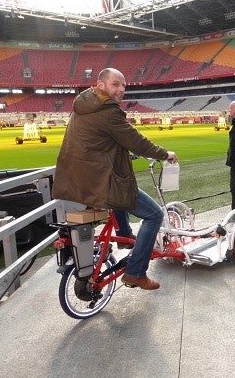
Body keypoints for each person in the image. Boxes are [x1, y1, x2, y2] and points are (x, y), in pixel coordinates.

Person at [52, 67, 178, 291]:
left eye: (123, 85)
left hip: (76, 180)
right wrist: (164, 153)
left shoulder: (85, 105)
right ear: (101, 86)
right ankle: (136, 273)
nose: (121, 89)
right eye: (115, 84)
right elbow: (135, 140)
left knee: (121, 194)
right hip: (96, 182)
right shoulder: (107, 112)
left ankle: (122, 235)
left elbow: (98, 142)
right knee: (154, 215)